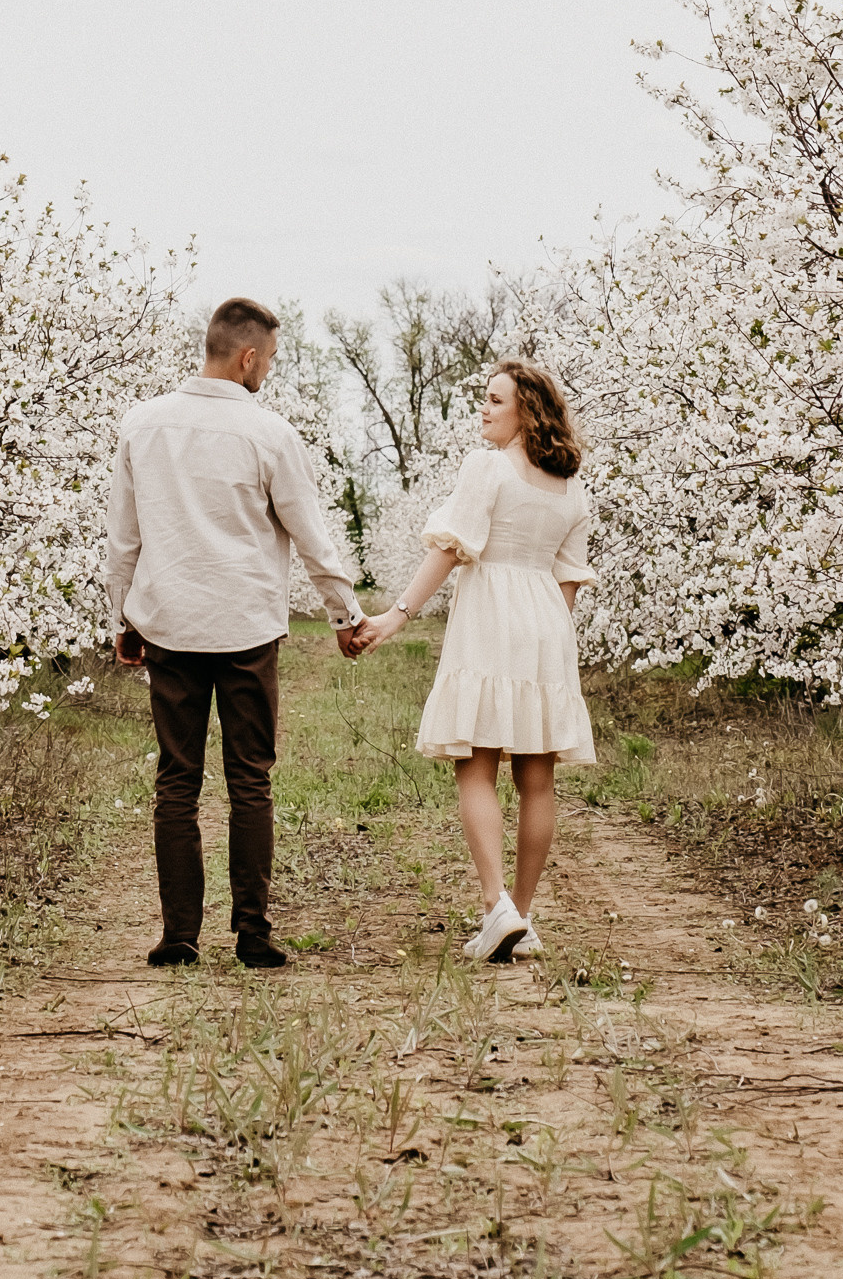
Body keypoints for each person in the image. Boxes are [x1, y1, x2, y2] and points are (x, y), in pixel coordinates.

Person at [107, 296, 366, 969]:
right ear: (249, 356)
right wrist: (344, 614)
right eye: (270, 360)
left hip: (169, 623)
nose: (268, 374)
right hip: (245, 627)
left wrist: (122, 618)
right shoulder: (270, 434)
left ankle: (179, 936)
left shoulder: (141, 425)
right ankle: (253, 933)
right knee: (250, 781)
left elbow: (123, 539)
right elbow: (310, 534)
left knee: (176, 782)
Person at [351, 360, 593, 962]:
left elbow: (450, 550)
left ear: (525, 411)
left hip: (491, 618)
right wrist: (552, 642)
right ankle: (524, 917)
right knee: (538, 778)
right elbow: (568, 580)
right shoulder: (569, 487)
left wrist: (396, 615)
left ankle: (496, 907)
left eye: (494, 401)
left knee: (475, 764)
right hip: (547, 625)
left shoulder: (487, 468)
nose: (483, 410)